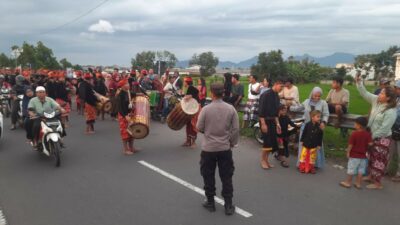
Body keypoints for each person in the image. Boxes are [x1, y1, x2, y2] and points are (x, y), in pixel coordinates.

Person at [196, 83, 239, 216]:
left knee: (208, 175)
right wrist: (231, 142)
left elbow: (199, 127)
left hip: (208, 148)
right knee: (226, 176)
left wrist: (208, 132)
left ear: (212, 93)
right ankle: (228, 205)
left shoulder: (206, 109)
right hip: (224, 148)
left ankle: (210, 202)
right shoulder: (231, 109)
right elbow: (236, 129)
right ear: (223, 93)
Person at [356, 75, 397, 189]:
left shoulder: (391, 111)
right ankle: (370, 176)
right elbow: (365, 93)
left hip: (382, 138)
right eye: (381, 92)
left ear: (388, 98)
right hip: (372, 136)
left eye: (383, 93)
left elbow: (384, 129)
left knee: (379, 160)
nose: (380, 94)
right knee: (371, 157)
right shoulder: (376, 101)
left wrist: (372, 137)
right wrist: (359, 83)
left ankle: (378, 183)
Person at [297, 87, 329, 169]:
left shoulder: (323, 103)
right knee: (303, 145)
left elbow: (326, 114)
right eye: (315, 96)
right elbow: (299, 107)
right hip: (306, 126)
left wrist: (323, 122)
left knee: (315, 146)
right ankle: (302, 164)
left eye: (319, 96)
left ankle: (314, 164)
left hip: (316, 128)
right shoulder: (307, 102)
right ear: (312, 94)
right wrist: (290, 106)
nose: (317, 98)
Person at [27, 86, 65, 155]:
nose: (41, 94)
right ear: (36, 93)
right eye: (39, 92)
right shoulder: (33, 100)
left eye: (43, 92)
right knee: (36, 126)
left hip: (50, 116)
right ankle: (36, 140)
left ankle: (61, 137)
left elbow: (57, 105)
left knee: (60, 123)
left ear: (45, 93)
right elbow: (30, 109)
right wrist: (32, 114)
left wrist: (61, 109)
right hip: (39, 117)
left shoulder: (49, 99)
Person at [258, 77, 285, 169]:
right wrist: (263, 124)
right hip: (265, 121)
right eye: (281, 86)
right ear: (276, 84)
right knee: (267, 142)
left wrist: (278, 124)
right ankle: (262, 160)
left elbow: (276, 112)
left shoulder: (276, 96)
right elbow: (261, 111)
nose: (281, 88)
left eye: (283, 87)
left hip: (273, 121)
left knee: (272, 142)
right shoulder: (265, 95)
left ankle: (267, 160)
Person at [340, 117, 372, 189]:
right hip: (363, 156)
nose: (354, 124)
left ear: (359, 125)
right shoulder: (368, 134)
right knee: (361, 170)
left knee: (351, 169)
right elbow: (370, 144)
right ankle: (358, 184)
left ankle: (348, 182)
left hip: (354, 155)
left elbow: (350, 145)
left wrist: (348, 152)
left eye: (355, 123)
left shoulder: (354, 134)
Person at [115, 79, 137, 155]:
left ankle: (131, 147)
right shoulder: (119, 95)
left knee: (132, 131)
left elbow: (136, 94)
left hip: (130, 114)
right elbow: (119, 108)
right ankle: (125, 149)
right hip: (123, 115)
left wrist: (142, 94)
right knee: (125, 132)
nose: (128, 85)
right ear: (123, 86)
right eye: (127, 84)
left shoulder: (128, 92)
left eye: (128, 83)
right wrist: (125, 116)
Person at [182, 76, 200, 148]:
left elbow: (191, 96)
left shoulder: (191, 88)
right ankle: (188, 141)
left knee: (192, 125)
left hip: (194, 110)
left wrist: (186, 97)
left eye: (184, 81)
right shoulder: (190, 88)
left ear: (187, 82)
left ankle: (193, 143)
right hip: (191, 109)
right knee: (189, 125)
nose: (183, 83)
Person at [389, 80, 400, 182]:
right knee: (391, 150)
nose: (395, 89)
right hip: (394, 129)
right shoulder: (396, 99)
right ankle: (387, 169)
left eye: (397, 88)